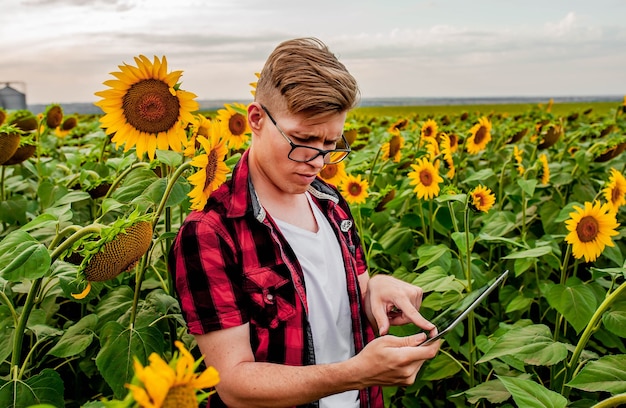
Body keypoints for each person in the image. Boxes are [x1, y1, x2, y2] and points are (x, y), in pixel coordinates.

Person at [169, 37, 440, 408]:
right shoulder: (210, 234)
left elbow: (345, 298)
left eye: (330, 143)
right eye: (302, 140)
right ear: (257, 119)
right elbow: (233, 383)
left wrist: (376, 288)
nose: (317, 160)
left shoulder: (331, 203)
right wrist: (356, 373)